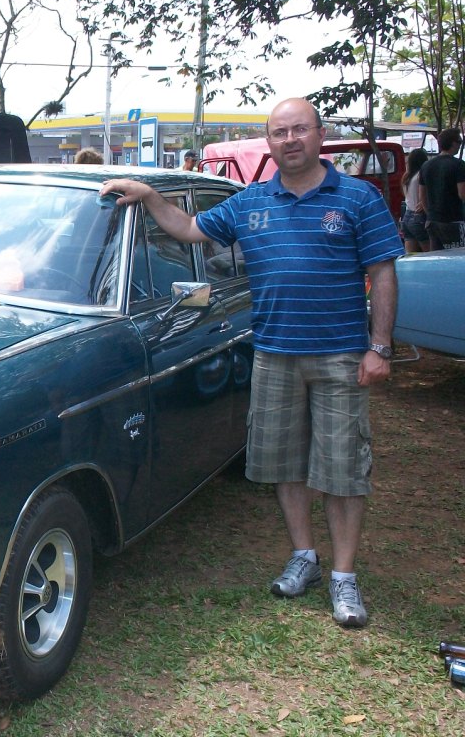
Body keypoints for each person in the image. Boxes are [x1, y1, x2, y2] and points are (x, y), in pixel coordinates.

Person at [101, 97, 403, 628]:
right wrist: (149, 196)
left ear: (319, 134)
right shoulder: (250, 203)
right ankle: (305, 558)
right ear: (270, 141)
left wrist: (380, 348)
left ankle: (344, 577)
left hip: (340, 356)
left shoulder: (358, 198)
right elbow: (190, 229)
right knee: (285, 465)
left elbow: (382, 273)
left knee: (343, 471)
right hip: (275, 354)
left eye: (300, 130)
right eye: (279, 132)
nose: (290, 140)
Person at [419, 128, 465, 250]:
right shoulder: (459, 165)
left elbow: (422, 195)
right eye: (460, 142)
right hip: (453, 220)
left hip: (432, 221)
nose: (460, 145)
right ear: (453, 143)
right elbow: (462, 194)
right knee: (457, 257)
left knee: (437, 258)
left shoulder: (426, 165)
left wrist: (430, 214)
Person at [400, 148, 431, 253]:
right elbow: (424, 194)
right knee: (430, 254)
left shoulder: (407, 177)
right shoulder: (421, 176)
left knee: (411, 255)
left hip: (407, 217)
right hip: (419, 216)